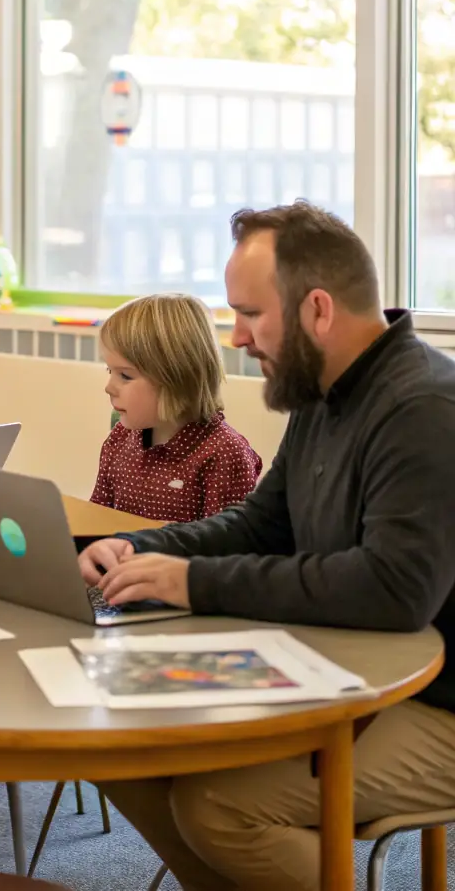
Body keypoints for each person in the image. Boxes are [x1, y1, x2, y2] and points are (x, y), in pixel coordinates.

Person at [78, 203, 455, 891]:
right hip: (349, 666)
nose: (237, 335)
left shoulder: (423, 407)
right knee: (114, 745)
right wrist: (134, 546)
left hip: (437, 700)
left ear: (316, 310)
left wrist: (192, 582)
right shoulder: (323, 391)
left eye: (250, 313)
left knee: (218, 805)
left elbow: (394, 589)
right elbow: (259, 523)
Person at [92, 293, 261, 520]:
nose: (109, 387)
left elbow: (228, 544)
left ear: (176, 378)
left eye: (125, 375)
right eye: (109, 371)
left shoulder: (223, 455)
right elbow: (96, 521)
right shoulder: (119, 440)